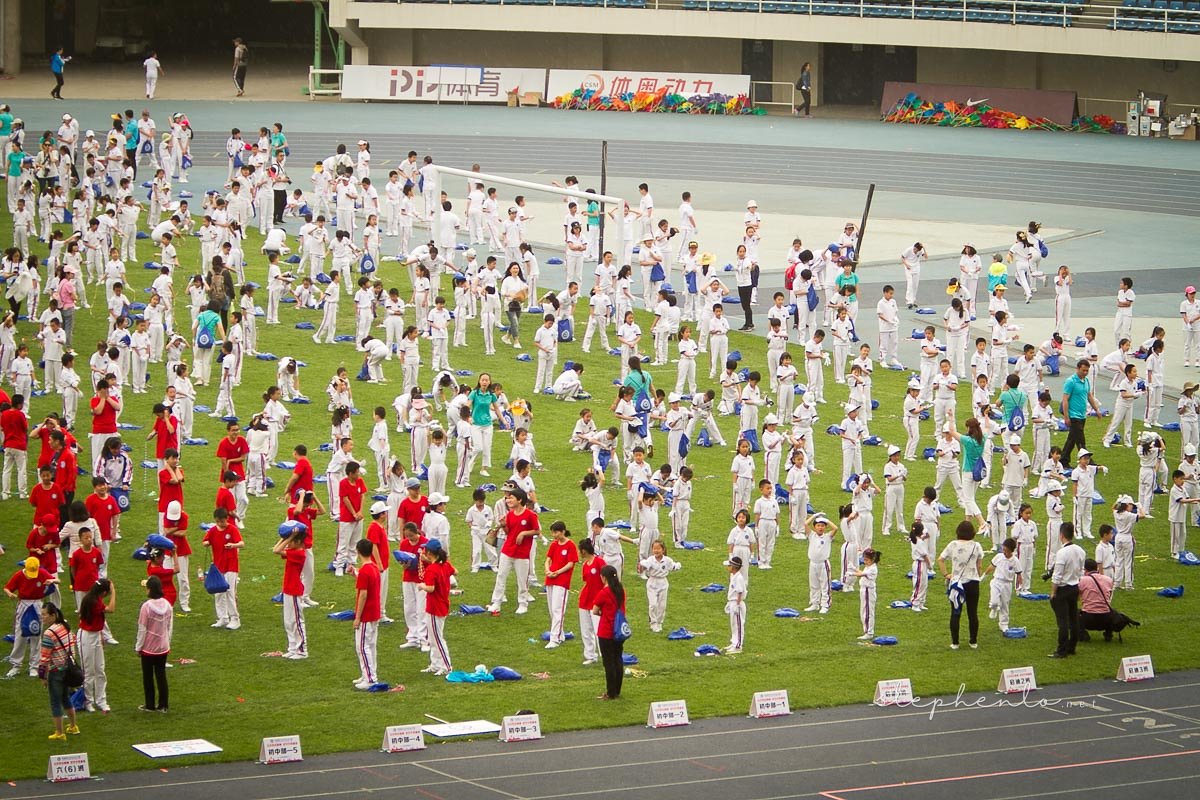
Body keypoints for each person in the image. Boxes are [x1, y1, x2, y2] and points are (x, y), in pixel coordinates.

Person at [938, 520, 985, 650]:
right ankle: (973, 641)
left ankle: (955, 642)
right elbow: (979, 565)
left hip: (957, 583)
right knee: (972, 612)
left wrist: (946, 574)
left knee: (955, 612)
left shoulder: (953, 544)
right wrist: (977, 573)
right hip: (973, 582)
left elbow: (940, 559)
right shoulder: (977, 546)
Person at [38, 602, 79, 740]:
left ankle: (59, 733)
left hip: (56, 671)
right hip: (67, 668)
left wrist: (42, 676)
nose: (42, 617)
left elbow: (44, 657)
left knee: (55, 701)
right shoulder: (65, 625)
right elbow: (73, 642)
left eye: (44, 614)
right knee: (66, 698)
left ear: (52, 615)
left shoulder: (49, 633)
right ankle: (73, 726)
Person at [1048, 523, 1086, 658]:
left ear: (1061, 535)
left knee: (1062, 621)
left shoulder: (1062, 553)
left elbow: (1057, 575)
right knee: (1073, 619)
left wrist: (1053, 592)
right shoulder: (1080, 550)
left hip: (1063, 589)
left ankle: (1062, 649)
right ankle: (1072, 646)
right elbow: (1082, 572)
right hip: (1075, 586)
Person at [135, 575, 173, 712]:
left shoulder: (146, 607)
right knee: (161, 675)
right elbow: (169, 627)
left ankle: (150, 704)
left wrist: (138, 647)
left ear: (150, 590)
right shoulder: (168, 605)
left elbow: (142, 628)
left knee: (148, 677)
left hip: (149, 648)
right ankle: (163, 705)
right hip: (163, 647)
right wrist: (168, 643)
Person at [77, 578, 114, 712]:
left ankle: (101, 700)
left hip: (94, 635)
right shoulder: (93, 601)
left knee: (100, 669)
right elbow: (111, 609)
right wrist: (114, 591)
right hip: (86, 636)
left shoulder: (93, 599)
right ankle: (88, 701)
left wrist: (100, 636)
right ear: (104, 592)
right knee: (89, 671)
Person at [418, 538, 454, 676]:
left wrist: (422, 586)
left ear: (429, 552)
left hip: (435, 607)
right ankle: (435, 664)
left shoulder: (432, 570)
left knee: (437, 638)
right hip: (442, 604)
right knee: (433, 638)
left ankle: (446, 665)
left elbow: (431, 588)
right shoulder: (444, 565)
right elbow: (454, 571)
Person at [591, 564, 626, 700]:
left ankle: (611, 692)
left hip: (606, 631)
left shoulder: (604, 592)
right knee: (618, 659)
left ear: (604, 578)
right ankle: (617, 690)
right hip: (619, 630)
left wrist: (604, 613)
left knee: (609, 663)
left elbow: (595, 610)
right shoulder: (621, 590)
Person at [1060, 359, 1101, 467]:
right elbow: (1065, 399)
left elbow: (1089, 396)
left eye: (1087, 370)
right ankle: (1088, 461)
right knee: (1080, 440)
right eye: (1083, 370)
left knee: (1072, 439)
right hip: (1073, 415)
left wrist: (1096, 409)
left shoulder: (1086, 381)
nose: (1085, 373)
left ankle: (1063, 460)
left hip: (1082, 415)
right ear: (1077, 369)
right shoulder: (1071, 381)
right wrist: (1066, 417)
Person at [352, 538, 381, 688]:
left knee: (362, 647)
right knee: (370, 645)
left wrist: (357, 617)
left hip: (366, 614)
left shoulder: (364, 571)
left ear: (358, 552)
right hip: (374, 612)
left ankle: (369, 678)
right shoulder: (374, 568)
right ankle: (368, 674)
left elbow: (363, 594)